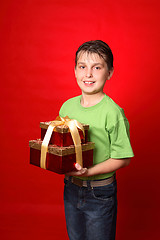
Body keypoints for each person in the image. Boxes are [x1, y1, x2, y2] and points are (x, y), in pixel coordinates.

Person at [59, 40, 134, 240]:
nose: (88, 74)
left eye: (97, 67)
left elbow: (123, 158)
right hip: (71, 188)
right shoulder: (67, 107)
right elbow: (63, 146)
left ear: (109, 73)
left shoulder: (113, 112)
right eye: (82, 67)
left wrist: (88, 172)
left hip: (100, 193)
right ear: (75, 71)